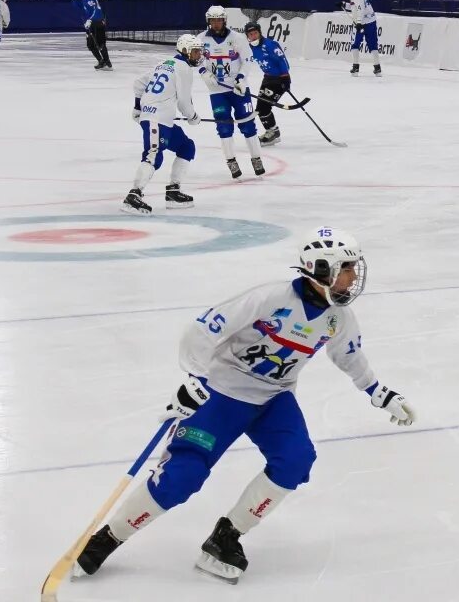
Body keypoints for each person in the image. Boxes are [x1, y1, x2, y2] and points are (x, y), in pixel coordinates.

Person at [73, 226, 416, 583]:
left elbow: (349, 356)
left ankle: (226, 536)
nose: (353, 276)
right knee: (183, 476)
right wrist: (194, 377)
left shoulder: (337, 317)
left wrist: (378, 392)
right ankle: (109, 537)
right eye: (346, 268)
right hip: (221, 394)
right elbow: (203, 330)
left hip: (273, 399)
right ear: (321, 270)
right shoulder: (269, 298)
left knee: (296, 461)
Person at [122, 34, 204, 215]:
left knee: (186, 147)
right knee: (153, 156)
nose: (199, 55)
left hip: (163, 120)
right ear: (185, 51)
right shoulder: (184, 68)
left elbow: (139, 83)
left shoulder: (165, 63)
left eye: (199, 51)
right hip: (155, 119)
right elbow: (184, 103)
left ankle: (173, 192)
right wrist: (193, 117)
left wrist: (137, 107)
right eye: (196, 51)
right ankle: (133, 196)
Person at [199, 6, 263, 179]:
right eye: (213, 20)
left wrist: (241, 79)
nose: (216, 23)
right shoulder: (200, 39)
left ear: (224, 20)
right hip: (217, 92)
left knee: (248, 124)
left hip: (239, 89)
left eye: (219, 20)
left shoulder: (237, 38)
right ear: (208, 21)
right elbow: (195, 59)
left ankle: (256, 158)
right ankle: (231, 161)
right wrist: (204, 74)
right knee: (224, 127)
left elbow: (248, 59)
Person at [243, 21, 291, 146]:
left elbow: (282, 60)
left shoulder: (270, 45)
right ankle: (273, 132)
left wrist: (285, 78)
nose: (253, 36)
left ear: (259, 33)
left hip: (279, 79)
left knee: (263, 108)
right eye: (250, 34)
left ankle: (273, 134)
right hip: (268, 78)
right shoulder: (251, 47)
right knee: (260, 108)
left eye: (255, 33)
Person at [340, 0, 380, 77]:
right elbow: (355, 6)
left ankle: (356, 68)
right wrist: (345, 4)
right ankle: (377, 68)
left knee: (355, 44)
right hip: (370, 20)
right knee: (373, 44)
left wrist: (358, 22)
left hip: (363, 22)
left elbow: (360, 8)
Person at [71, 0, 112, 70]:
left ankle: (107, 63)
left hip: (96, 23)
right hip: (92, 23)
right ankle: (102, 61)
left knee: (100, 43)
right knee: (91, 44)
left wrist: (90, 20)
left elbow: (95, 10)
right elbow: (80, 10)